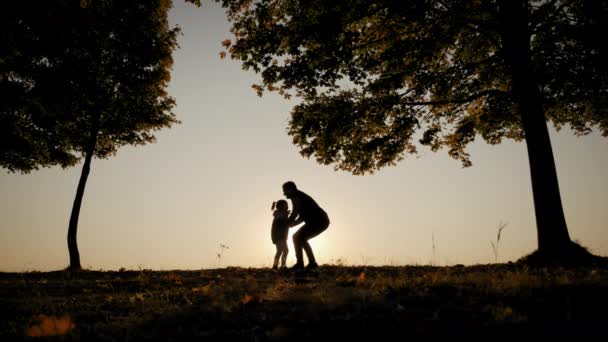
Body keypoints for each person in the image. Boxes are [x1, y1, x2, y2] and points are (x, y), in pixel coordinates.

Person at [282, 181, 330, 270]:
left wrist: (289, 223)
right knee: (300, 238)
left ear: (291, 190)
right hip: (319, 220)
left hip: (319, 221)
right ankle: (311, 263)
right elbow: (298, 214)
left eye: (285, 190)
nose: (283, 193)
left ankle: (301, 264)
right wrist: (289, 223)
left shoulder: (297, 197)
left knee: (297, 237)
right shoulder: (297, 196)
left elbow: (299, 215)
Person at [271, 199, 290, 269]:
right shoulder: (278, 213)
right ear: (281, 206)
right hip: (279, 235)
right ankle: (280, 265)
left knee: (283, 250)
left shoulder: (281, 213)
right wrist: (286, 214)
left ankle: (279, 265)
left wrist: (286, 214)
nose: (287, 206)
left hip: (282, 235)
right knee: (282, 250)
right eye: (285, 205)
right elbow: (280, 218)